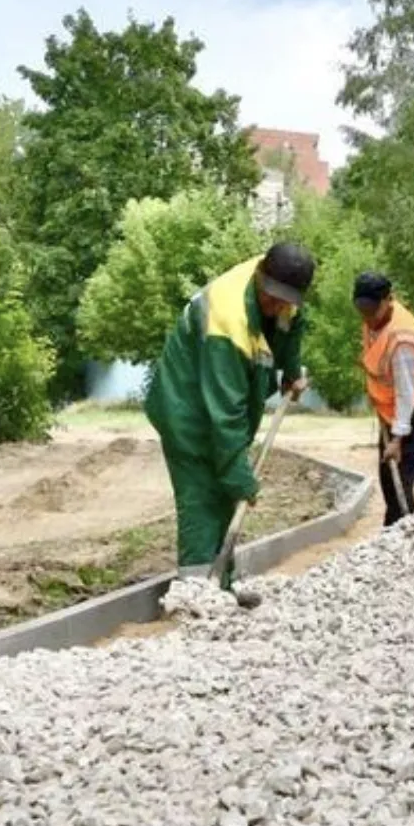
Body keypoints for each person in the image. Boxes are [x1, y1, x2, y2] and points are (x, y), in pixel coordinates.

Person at [144, 242, 313, 597]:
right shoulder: (227, 318)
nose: (277, 306)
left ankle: (221, 581)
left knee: (225, 494)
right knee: (202, 496)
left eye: (286, 301)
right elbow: (225, 415)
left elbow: (291, 329)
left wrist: (291, 371)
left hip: (224, 402)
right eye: (272, 298)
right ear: (260, 276)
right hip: (185, 409)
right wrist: (241, 478)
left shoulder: (284, 296)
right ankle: (195, 590)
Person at [354, 272, 414, 525]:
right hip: (394, 408)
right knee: (388, 477)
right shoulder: (373, 318)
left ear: (389, 300)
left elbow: (407, 393)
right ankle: (401, 534)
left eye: (373, 309)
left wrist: (397, 439)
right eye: (362, 309)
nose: (368, 316)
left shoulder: (402, 338)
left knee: (399, 482)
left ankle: (401, 538)